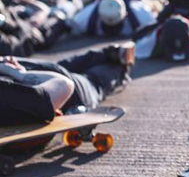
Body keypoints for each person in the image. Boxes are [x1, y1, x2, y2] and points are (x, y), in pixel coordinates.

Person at [0, 42, 135, 127]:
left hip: (49, 70)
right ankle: (120, 63)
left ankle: (111, 53)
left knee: (90, 58)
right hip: (76, 91)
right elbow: (64, 85)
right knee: (110, 70)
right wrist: (20, 74)